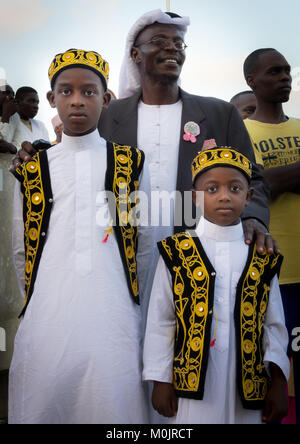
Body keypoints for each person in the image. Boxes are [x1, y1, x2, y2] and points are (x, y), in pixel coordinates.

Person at [9, 48, 150, 424]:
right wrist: (39, 299)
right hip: (48, 311)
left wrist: (136, 305)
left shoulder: (130, 163)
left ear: (105, 99)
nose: (76, 101)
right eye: (66, 91)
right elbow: (21, 248)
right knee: (44, 397)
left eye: (89, 92)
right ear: (52, 98)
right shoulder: (34, 167)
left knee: (113, 398)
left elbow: (145, 244)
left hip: (116, 310)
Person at [143, 147, 290, 424]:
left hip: (249, 385)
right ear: (196, 198)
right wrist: (160, 380)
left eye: (234, 188)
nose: (224, 196)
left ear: (248, 197)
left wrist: (279, 381)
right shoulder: (176, 252)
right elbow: (161, 319)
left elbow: (274, 324)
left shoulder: (262, 256)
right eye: (212, 189)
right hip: (192, 386)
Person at [243, 48, 300, 424]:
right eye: (275, 71)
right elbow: (250, 190)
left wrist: (274, 179)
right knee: (265, 379)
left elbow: (269, 182)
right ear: (252, 81)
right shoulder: (241, 133)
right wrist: (272, 181)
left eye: (288, 71)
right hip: (266, 272)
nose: (285, 77)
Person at [0, 84, 18, 154]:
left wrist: (12, 148)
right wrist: (6, 116)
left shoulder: (15, 117)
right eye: (7, 93)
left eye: (13, 94)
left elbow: (19, 144)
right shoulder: (7, 115)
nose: (11, 97)